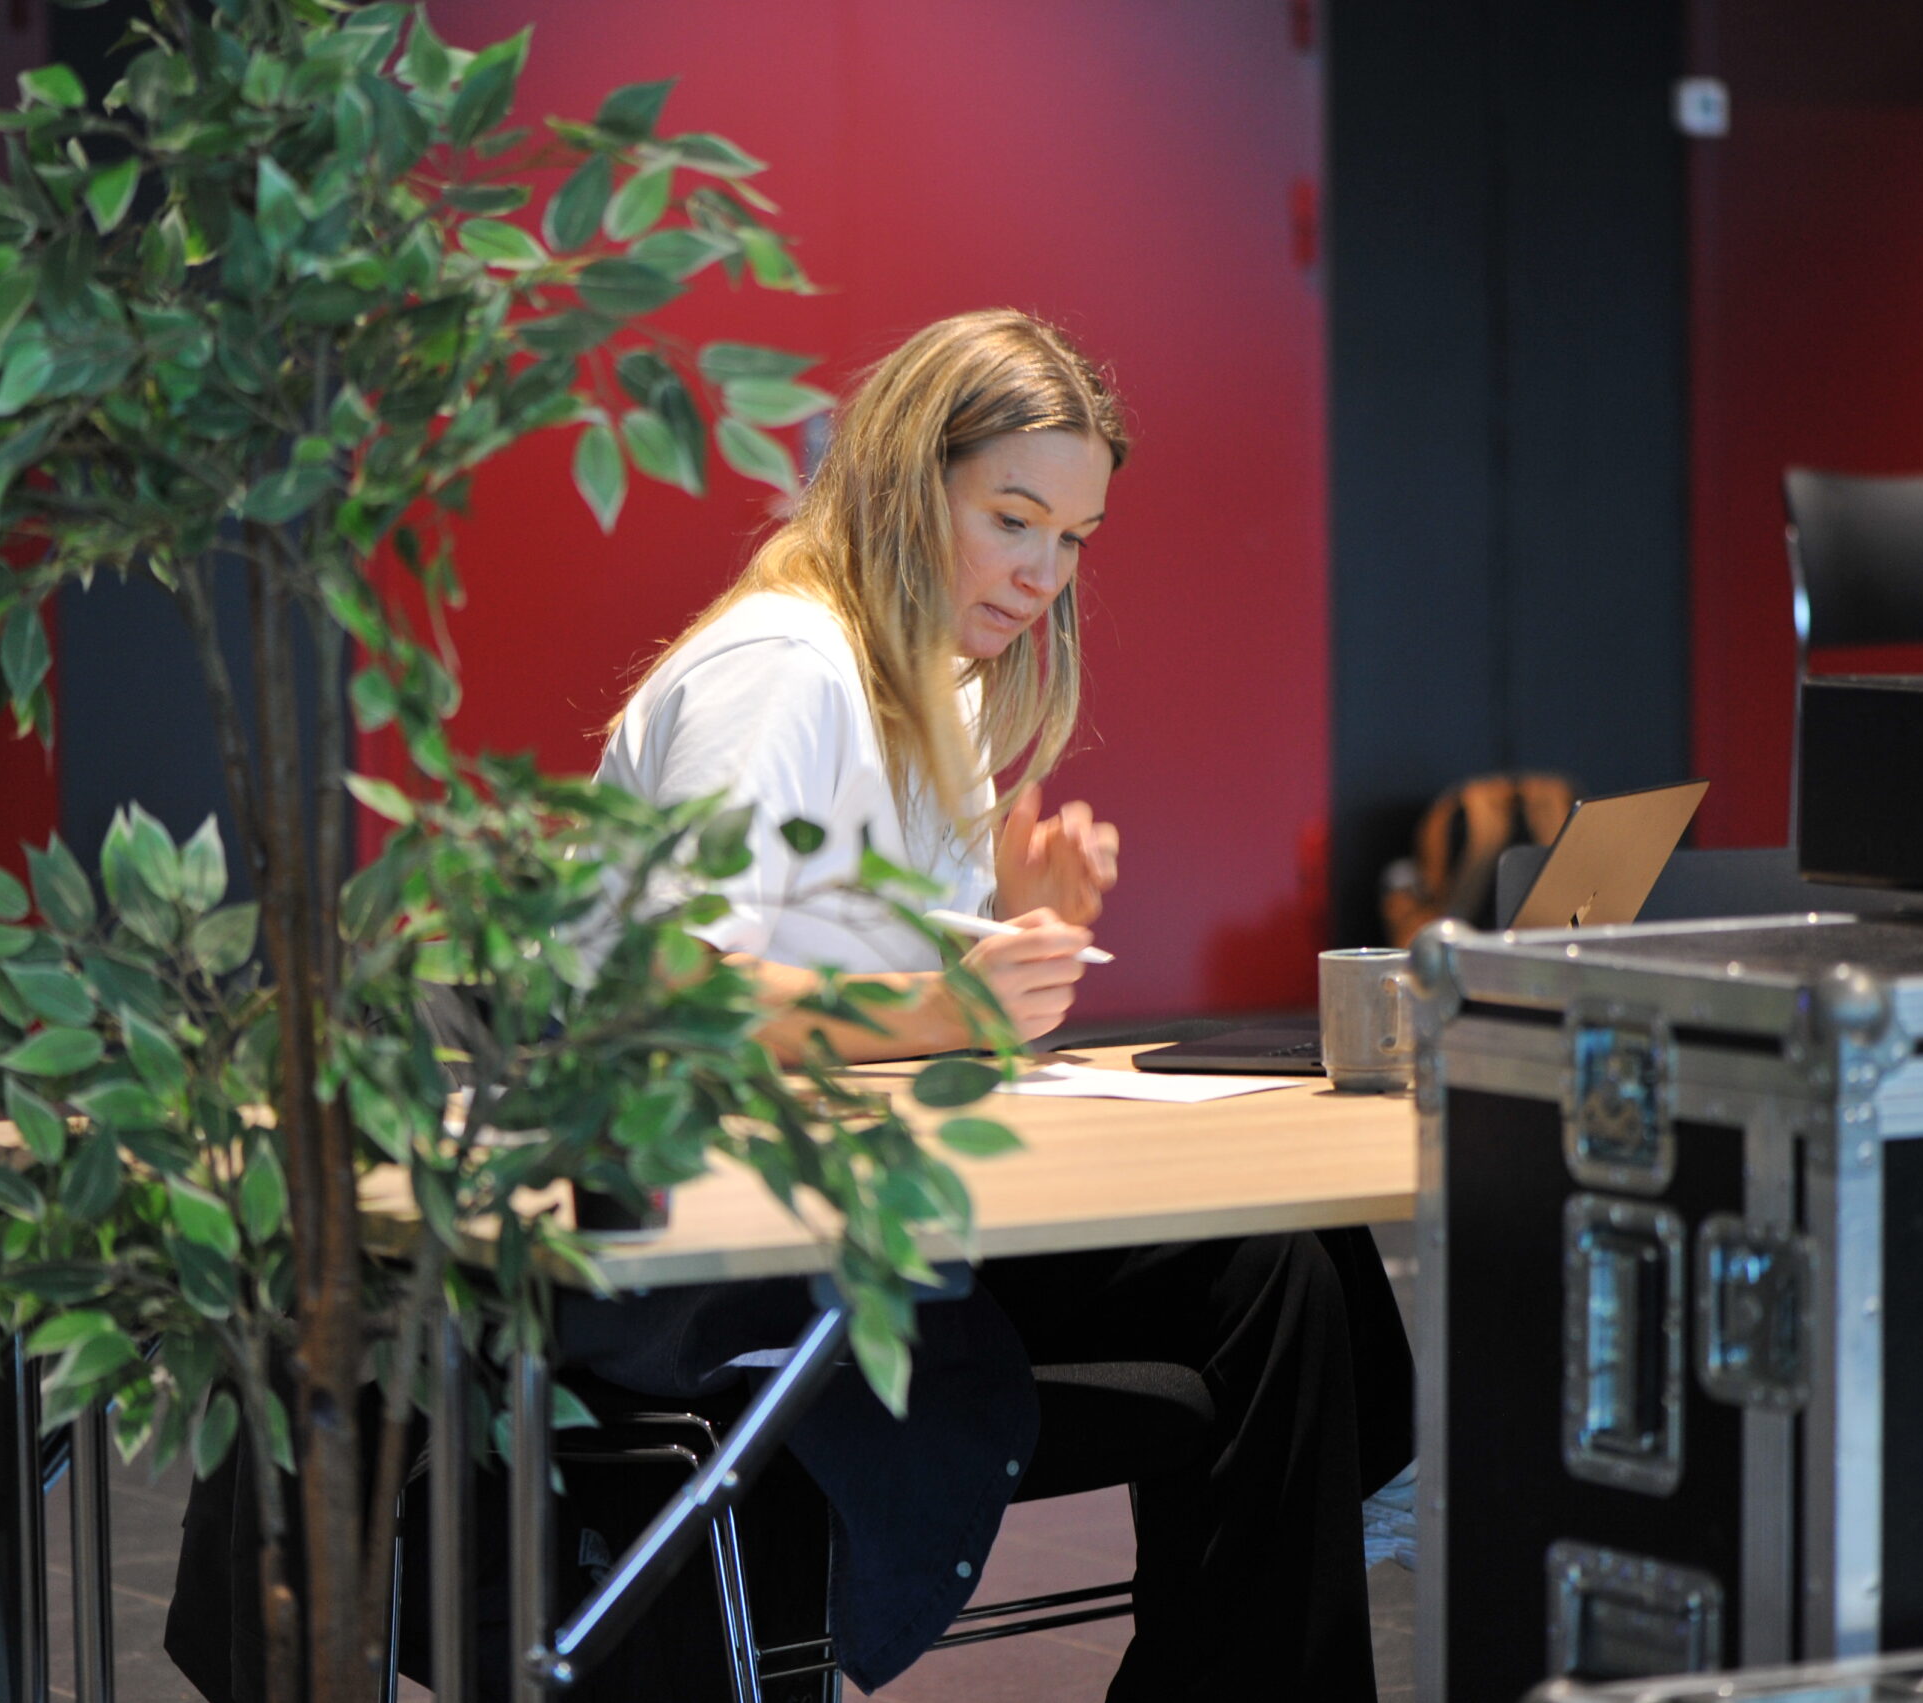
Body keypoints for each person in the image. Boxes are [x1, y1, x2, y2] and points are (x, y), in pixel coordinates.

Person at [574, 308, 1414, 1699]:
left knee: (1297, 1248)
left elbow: (902, 996)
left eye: (1074, 539)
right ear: (905, 484)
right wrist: (948, 1005)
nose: (1043, 574)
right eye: (1014, 521)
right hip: (718, 1257)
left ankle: (1295, 1589)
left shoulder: (936, 696)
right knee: (1270, 1279)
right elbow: (671, 994)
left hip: (851, 1207)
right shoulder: (781, 668)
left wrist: (1022, 931)